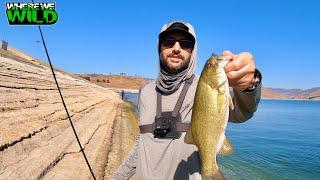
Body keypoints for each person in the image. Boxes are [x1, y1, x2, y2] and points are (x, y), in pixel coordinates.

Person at [109, 20, 262, 180]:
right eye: (169, 42)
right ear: (159, 47)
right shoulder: (145, 91)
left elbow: (242, 112)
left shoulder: (203, 87)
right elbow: (143, 141)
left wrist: (250, 83)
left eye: (185, 43)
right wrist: (118, 176)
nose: (176, 48)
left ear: (193, 51)